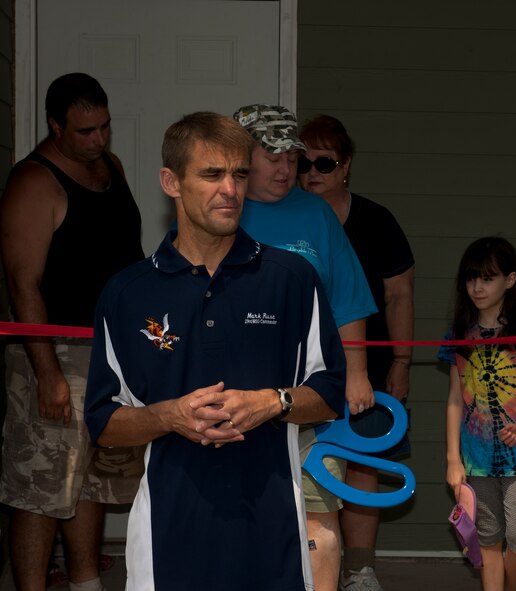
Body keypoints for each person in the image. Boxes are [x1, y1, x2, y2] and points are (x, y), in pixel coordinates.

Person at [83, 111, 347, 590]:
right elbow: (102, 423)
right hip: (168, 540)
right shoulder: (126, 293)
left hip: (274, 536)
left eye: (239, 174)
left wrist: (273, 402)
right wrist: (170, 416)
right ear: (171, 181)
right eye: (211, 174)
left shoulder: (290, 279)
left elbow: (330, 392)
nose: (230, 189)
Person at [0, 72, 144, 591]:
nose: (99, 140)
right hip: (54, 352)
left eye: (104, 127)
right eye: (85, 131)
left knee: (93, 481)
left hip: (114, 351)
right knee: (41, 487)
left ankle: (85, 581)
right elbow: (23, 285)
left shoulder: (112, 167)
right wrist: (48, 374)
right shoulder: (33, 182)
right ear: (54, 125)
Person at [233, 104, 377, 591]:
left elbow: (349, 299)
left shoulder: (315, 213)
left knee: (318, 514)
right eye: (269, 154)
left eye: (290, 157)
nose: (284, 168)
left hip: (313, 394)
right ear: (239, 156)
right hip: (236, 396)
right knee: (240, 514)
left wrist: (356, 373)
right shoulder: (218, 209)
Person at [298, 115, 415, 591]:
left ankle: (359, 568)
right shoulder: (285, 217)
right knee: (309, 463)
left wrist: (403, 363)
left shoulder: (377, 221)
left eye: (323, 162)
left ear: (345, 166)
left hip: (371, 367)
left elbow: (399, 296)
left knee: (363, 461)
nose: (311, 171)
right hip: (305, 369)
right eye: (302, 162)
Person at [438, 237, 516, 591]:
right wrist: (453, 460)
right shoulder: (459, 334)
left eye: (487, 278)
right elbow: (455, 399)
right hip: (476, 460)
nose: (477, 287)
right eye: (471, 279)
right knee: (487, 539)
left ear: (510, 280)